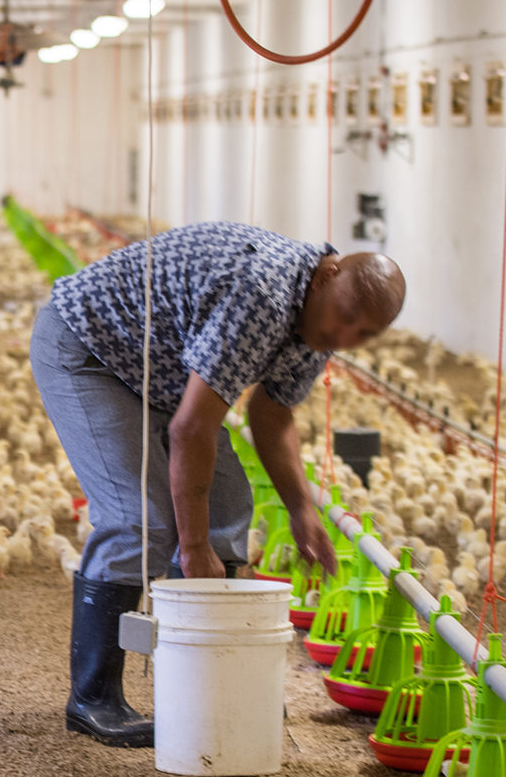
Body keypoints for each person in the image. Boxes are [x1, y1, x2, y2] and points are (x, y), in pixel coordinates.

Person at [30, 221, 405, 748]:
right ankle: (93, 698)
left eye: (363, 334)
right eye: (345, 320)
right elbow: (190, 429)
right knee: (139, 520)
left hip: (157, 375)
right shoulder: (262, 295)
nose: (345, 338)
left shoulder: (319, 323)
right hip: (89, 350)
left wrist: (302, 509)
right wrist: (194, 543)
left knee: (229, 502)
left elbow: (271, 417)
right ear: (328, 274)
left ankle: (216, 678)